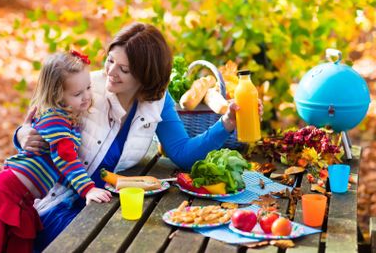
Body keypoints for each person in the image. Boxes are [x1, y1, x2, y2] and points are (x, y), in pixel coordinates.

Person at [16, 22, 262, 251]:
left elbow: (183, 153)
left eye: (123, 69)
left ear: (145, 75)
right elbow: (43, 122)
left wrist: (227, 123)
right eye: (110, 61)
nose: (111, 72)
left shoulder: (157, 101)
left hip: (106, 204)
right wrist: (21, 134)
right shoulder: (84, 90)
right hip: (63, 204)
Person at [0, 51, 112, 253]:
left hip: (24, 200)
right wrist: (87, 189)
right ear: (57, 95)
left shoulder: (67, 121)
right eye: (77, 94)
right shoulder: (55, 119)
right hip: (9, 192)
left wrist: (78, 188)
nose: (86, 97)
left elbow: (58, 168)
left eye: (88, 88)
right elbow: (65, 159)